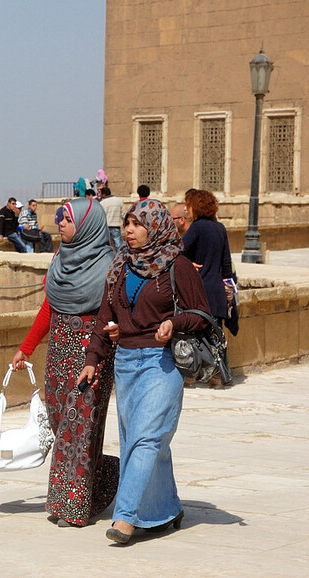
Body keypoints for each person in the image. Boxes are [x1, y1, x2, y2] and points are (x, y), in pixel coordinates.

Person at [78, 199, 210, 545]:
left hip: (161, 363)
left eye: (137, 224)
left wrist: (174, 321)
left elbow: (202, 313)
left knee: (146, 438)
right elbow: (104, 317)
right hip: (125, 363)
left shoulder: (177, 266)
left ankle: (126, 518)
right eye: (127, 223)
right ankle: (166, 508)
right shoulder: (120, 266)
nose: (129, 230)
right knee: (148, 442)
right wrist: (93, 359)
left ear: (156, 227)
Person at [11, 197, 119, 528]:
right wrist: (26, 349)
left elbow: (118, 310)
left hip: (92, 354)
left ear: (87, 225)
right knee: (61, 423)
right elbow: (50, 306)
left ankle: (72, 506)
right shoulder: (60, 260)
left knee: (79, 426)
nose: (60, 223)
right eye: (60, 217)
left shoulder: (110, 266)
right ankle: (104, 476)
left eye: (67, 219)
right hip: (58, 353)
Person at [181, 189, 238, 384]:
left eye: (187, 205)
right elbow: (226, 265)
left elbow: (178, 251)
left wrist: (188, 265)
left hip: (199, 290)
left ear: (195, 207)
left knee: (192, 334)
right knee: (216, 335)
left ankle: (189, 376)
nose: (185, 209)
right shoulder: (220, 228)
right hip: (217, 292)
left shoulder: (197, 227)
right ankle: (217, 377)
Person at [100, 187, 125, 252]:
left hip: (106, 227)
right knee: (118, 244)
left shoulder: (102, 203)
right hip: (116, 226)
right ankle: (120, 258)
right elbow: (124, 214)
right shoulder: (119, 200)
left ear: (104, 194)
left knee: (107, 245)